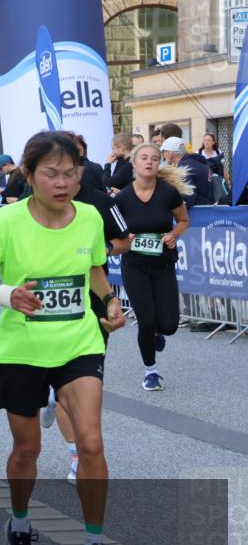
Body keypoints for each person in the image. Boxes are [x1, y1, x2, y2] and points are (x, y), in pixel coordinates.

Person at [0, 130, 127, 545]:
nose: (63, 183)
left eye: (71, 174)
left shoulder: (91, 216)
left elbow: (94, 270)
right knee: (27, 450)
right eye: (51, 174)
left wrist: (110, 303)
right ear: (29, 175)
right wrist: (7, 294)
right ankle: (18, 525)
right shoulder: (6, 223)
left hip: (78, 342)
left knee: (91, 442)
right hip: (21, 351)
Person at [41, 132, 132, 483]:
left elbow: (125, 241)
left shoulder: (98, 204)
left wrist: (93, 257)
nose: (66, 171)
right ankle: (72, 444)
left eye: (73, 163)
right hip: (46, 305)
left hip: (92, 299)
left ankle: (80, 454)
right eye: (57, 164)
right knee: (59, 382)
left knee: (83, 382)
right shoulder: (33, 204)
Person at [114, 143, 190, 391]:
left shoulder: (168, 192)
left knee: (168, 324)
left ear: (159, 164)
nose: (149, 162)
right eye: (144, 158)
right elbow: (112, 237)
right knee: (146, 320)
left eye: (155, 159)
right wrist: (126, 239)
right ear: (134, 163)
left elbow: (183, 220)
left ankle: (157, 333)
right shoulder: (122, 198)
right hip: (134, 265)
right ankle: (151, 371)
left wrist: (173, 235)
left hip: (163, 264)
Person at [160, 137, 212, 207]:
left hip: (199, 212)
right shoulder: (196, 161)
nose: (163, 155)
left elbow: (189, 197)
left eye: (164, 152)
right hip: (208, 209)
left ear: (170, 153)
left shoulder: (183, 166)